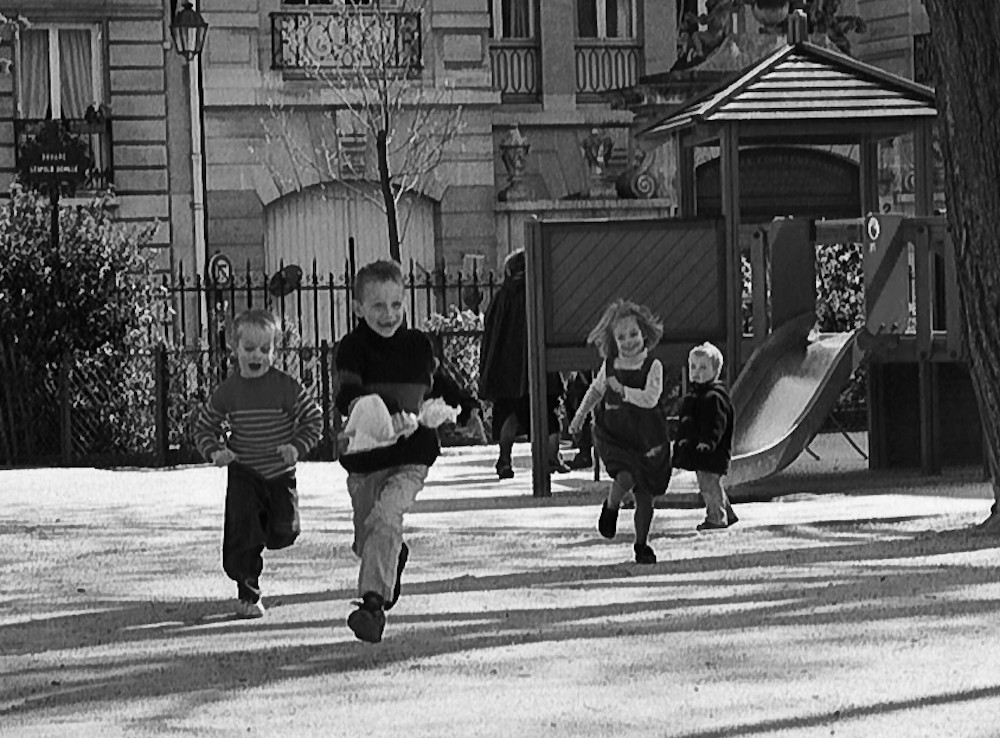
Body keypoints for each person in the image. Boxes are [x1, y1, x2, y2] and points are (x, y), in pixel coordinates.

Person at [334, 259, 446, 644]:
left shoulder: (418, 345)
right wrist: (384, 409)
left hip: (411, 456)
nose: (389, 314)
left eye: (396, 305)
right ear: (358, 308)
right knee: (369, 534)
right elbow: (346, 397)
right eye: (378, 306)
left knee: (385, 517)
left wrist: (464, 406)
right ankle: (390, 556)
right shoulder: (351, 348)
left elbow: (439, 383)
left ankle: (372, 607)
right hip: (366, 457)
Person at [194, 308, 324, 619]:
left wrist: (296, 446)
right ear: (235, 349)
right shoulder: (229, 391)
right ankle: (248, 594)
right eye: (249, 349)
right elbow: (203, 426)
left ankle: (262, 533)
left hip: (280, 474)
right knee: (243, 537)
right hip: (245, 473)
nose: (257, 356)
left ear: (274, 350)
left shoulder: (285, 386)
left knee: (285, 532)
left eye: (265, 349)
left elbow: (314, 419)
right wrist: (215, 452)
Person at [568, 299, 672, 564]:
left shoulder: (653, 366)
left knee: (645, 499)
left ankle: (641, 544)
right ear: (613, 341)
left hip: (648, 437)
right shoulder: (610, 366)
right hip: (616, 435)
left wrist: (623, 390)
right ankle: (611, 507)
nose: (629, 341)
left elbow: (650, 398)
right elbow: (595, 390)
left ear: (644, 334)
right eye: (622, 336)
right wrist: (580, 415)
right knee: (624, 476)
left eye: (633, 334)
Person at [478, 248, 566, 479]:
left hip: (507, 367)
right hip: (539, 363)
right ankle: (551, 458)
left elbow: (491, 331)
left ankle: (505, 459)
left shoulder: (503, 295)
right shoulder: (541, 293)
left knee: (509, 411)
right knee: (548, 411)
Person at [673, 341, 738, 531]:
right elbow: (687, 421)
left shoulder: (714, 398)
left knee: (709, 485)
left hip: (712, 450)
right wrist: (683, 440)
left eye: (703, 367)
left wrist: (709, 442)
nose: (696, 372)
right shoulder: (695, 396)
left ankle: (716, 518)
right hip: (699, 449)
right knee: (711, 483)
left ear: (715, 371)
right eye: (693, 366)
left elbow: (716, 423)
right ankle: (727, 513)